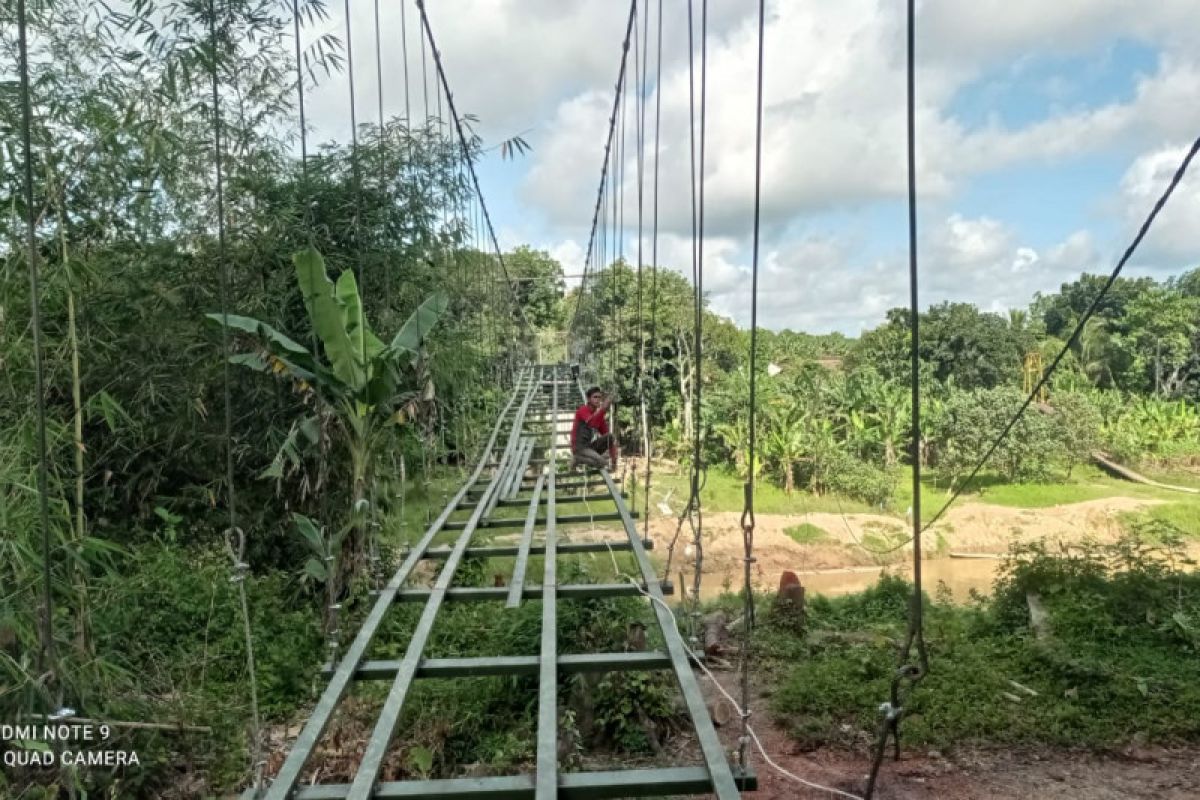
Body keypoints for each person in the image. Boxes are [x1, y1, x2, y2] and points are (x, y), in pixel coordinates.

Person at [571, 386, 617, 471]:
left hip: (589, 447)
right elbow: (592, 423)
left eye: (599, 397)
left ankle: (590, 458)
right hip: (579, 448)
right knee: (603, 463)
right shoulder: (583, 410)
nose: (598, 400)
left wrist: (614, 458)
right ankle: (577, 458)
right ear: (588, 399)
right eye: (595, 397)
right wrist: (603, 408)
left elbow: (608, 438)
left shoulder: (599, 417)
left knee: (610, 436)